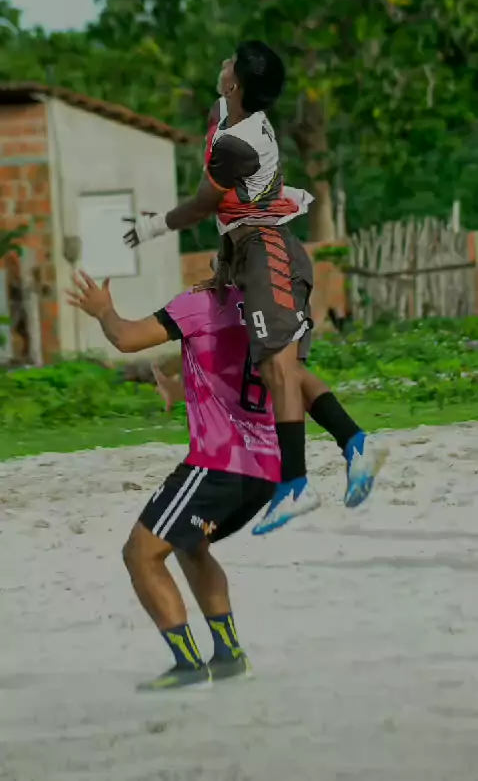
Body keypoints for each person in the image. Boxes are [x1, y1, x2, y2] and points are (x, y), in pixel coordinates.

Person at [123, 40, 386, 533]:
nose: (223, 62)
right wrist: (226, 265)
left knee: (277, 370)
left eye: (230, 62)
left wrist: (152, 226)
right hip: (251, 256)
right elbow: (231, 212)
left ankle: (297, 484)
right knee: (285, 369)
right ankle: (355, 442)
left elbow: (204, 205)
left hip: (268, 255)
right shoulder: (225, 114)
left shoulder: (238, 143)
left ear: (235, 82)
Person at [66, 269, 298, 689]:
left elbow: (127, 338)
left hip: (218, 465)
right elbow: (229, 363)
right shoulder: (270, 309)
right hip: (265, 466)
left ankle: (188, 664)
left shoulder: (205, 302)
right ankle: (229, 656)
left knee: (140, 553)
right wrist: (182, 386)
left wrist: (103, 311)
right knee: (190, 544)